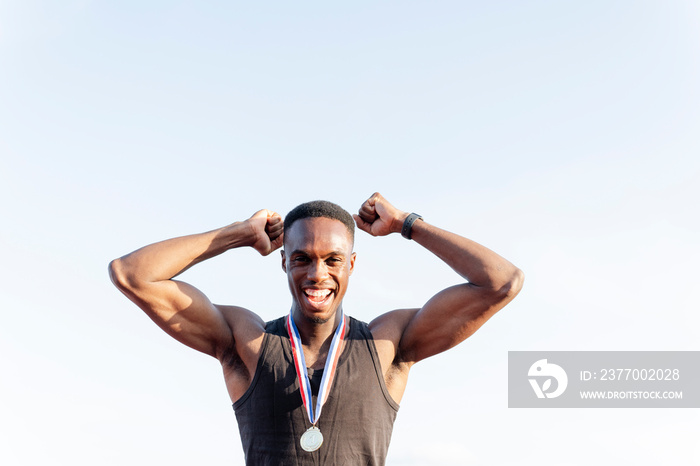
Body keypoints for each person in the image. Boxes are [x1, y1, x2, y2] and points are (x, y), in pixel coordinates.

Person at [109, 192, 524, 465]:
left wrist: (406, 224)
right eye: (302, 258)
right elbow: (131, 274)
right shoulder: (247, 341)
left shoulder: (387, 344)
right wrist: (238, 233)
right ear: (284, 261)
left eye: (333, 260)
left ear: (352, 265)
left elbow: (502, 281)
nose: (317, 273)